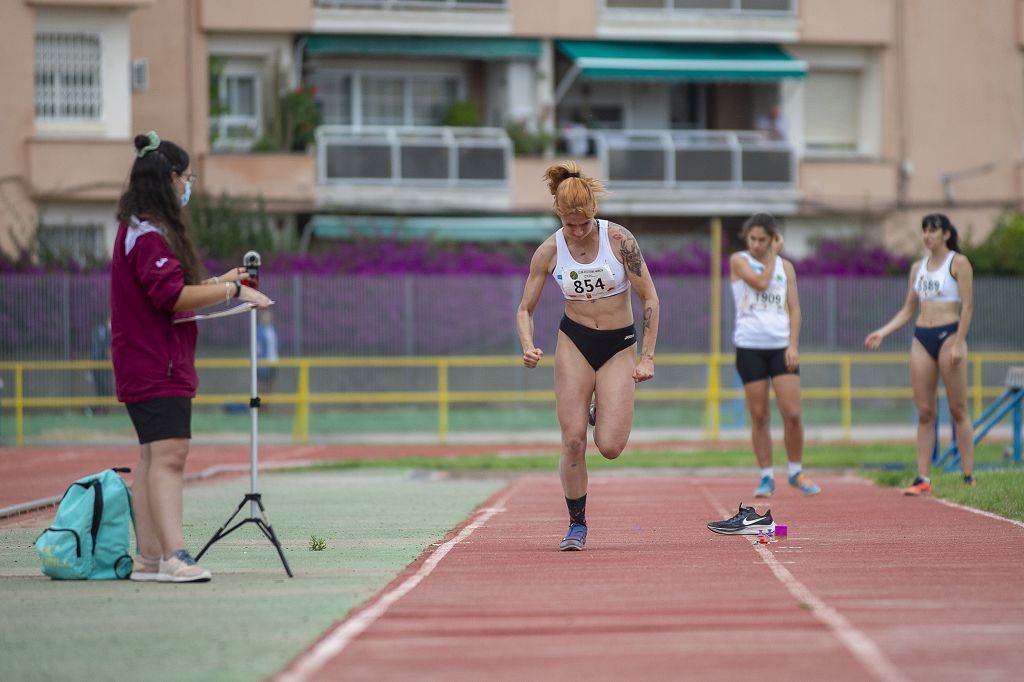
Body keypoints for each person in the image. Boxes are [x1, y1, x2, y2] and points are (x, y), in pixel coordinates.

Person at [111, 130, 273, 583]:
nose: (189, 184)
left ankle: (148, 558)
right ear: (168, 180)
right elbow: (172, 297)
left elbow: (173, 291)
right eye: (185, 176)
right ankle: (173, 556)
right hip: (155, 364)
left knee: (151, 457)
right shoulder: (148, 236)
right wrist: (234, 290)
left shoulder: (139, 230)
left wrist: (221, 281)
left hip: (147, 361)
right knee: (169, 456)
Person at [516, 160, 660, 551]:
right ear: (559, 215)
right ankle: (576, 524)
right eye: (569, 224)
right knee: (574, 440)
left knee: (610, 447)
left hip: (618, 344)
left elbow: (649, 298)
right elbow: (525, 308)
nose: (577, 232)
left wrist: (646, 357)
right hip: (575, 342)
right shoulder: (549, 250)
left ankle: (601, 408)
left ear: (593, 211)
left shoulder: (619, 241)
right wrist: (528, 345)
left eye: (583, 223)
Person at [865, 213, 975, 494]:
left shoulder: (958, 263)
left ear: (946, 234)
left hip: (949, 333)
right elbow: (908, 308)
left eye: (933, 230)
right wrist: (883, 331)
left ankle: (968, 475)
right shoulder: (918, 268)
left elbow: (968, 306)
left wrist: (960, 341)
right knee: (925, 411)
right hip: (922, 336)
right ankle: (923, 477)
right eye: (924, 230)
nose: (927, 235)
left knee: (957, 409)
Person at [730, 213, 820, 498]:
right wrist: (773, 256)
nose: (756, 244)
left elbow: (794, 309)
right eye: (752, 239)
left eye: (762, 240)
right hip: (749, 346)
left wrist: (793, 345)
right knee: (759, 415)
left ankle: (796, 471)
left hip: (780, 346)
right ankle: (766, 476)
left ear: (772, 239)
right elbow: (759, 283)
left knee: (792, 414)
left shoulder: (786, 268)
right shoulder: (739, 261)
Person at [88, 316, 112, 415]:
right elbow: (107, 349)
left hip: (96, 364)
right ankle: (101, 410)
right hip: (101, 364)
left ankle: (101, 410)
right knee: (103, 388)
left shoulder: (99, 330)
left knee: (101, 388)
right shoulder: (105, 331)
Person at [256, 308, 279, 400]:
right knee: (261, 386)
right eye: (266, 316)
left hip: (273, 361)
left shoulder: (272, 329)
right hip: (263, 362)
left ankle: (267, 408)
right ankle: (260, 407)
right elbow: (258, 348)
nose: (268, 317)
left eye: (269, 315)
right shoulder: (258, 330)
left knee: (269, 385)